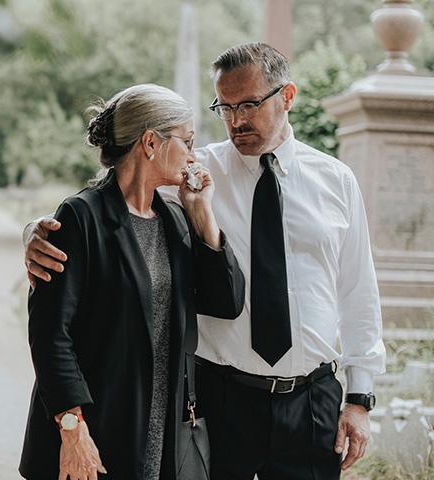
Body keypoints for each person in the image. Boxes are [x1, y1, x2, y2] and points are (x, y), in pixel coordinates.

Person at [23, 43, 386, 480]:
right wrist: (32, 232)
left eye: (249, 104)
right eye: (225, 107)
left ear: (287, 97)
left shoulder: (334, 180)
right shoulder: (192, 174)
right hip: (220, 399)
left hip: (311, 402)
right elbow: (106, 202)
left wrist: (360, 398)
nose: (235, 121)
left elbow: (357, 291)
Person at [19, 84, 245, 480]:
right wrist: (73, 431)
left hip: (161, 436)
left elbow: (225, 303)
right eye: (187, 141)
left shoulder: (174, 220)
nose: (193, 155)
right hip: (92, 432)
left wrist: (202, 215)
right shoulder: (80, 217)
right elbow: (50, 334)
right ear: (151, 143)